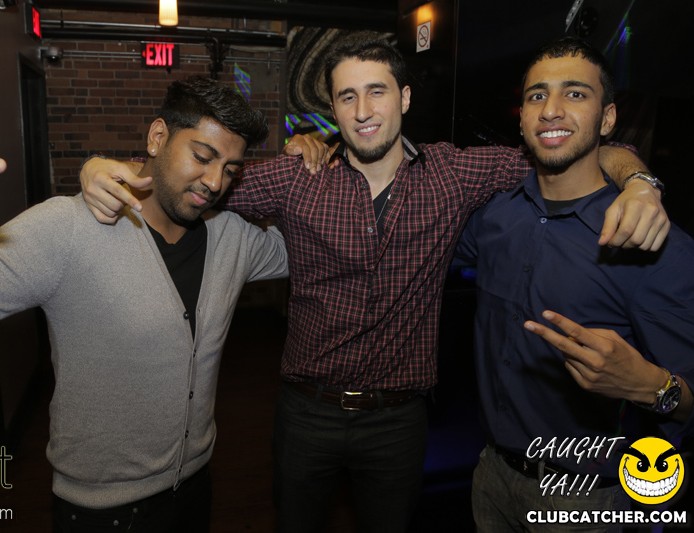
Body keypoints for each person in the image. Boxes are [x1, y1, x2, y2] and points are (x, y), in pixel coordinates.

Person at [78, 36, 669, 532]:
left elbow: (582, 150)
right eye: (347, 96)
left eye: (377, 91)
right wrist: (106, 170)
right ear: (333, 110)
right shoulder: (297, 177)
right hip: (306, 414)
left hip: (399, 421)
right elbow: (191, 181)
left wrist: (641, 183)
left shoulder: (453, 173)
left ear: (404, 98)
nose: (363, 110)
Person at [0, 77, 297, 532]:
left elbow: (311, 250)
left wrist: (310, 164)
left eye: (230, 169)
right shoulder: (68, 228)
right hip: (101, 512)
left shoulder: (233, 237)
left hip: (195, 488)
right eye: (202, 157)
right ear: (157, 137)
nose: (214, 181)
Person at [451, 38, 694, 532]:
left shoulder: (654, 244)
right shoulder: (493, 218)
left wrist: (652, 386)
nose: (552, 110)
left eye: (575, 94)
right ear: (522, 119)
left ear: (607, 119)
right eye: (537, 96)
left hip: (589, 498)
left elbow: (687, 397)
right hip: (491, 477)